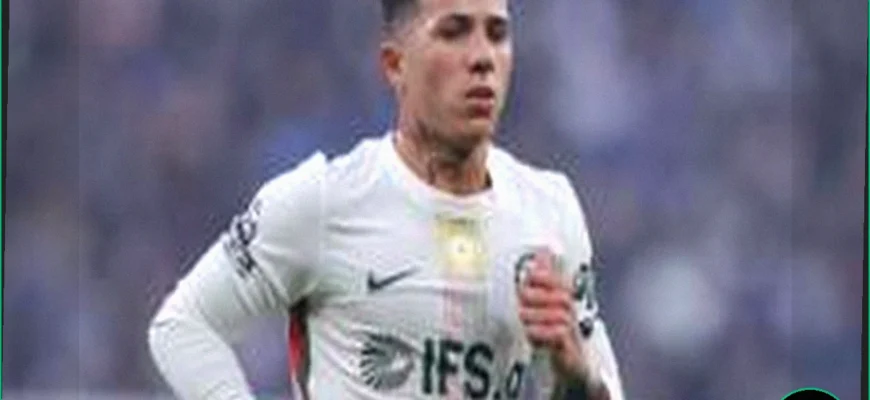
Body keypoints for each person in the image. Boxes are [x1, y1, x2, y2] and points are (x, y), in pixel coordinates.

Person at [147, 0, 625, 398]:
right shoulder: (322, 201)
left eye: (497, 34)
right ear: (396, 65)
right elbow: (183, 325)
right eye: (454, 32)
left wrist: (577, 377)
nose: (482, 57)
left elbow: (601, 387)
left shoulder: (550, 208)